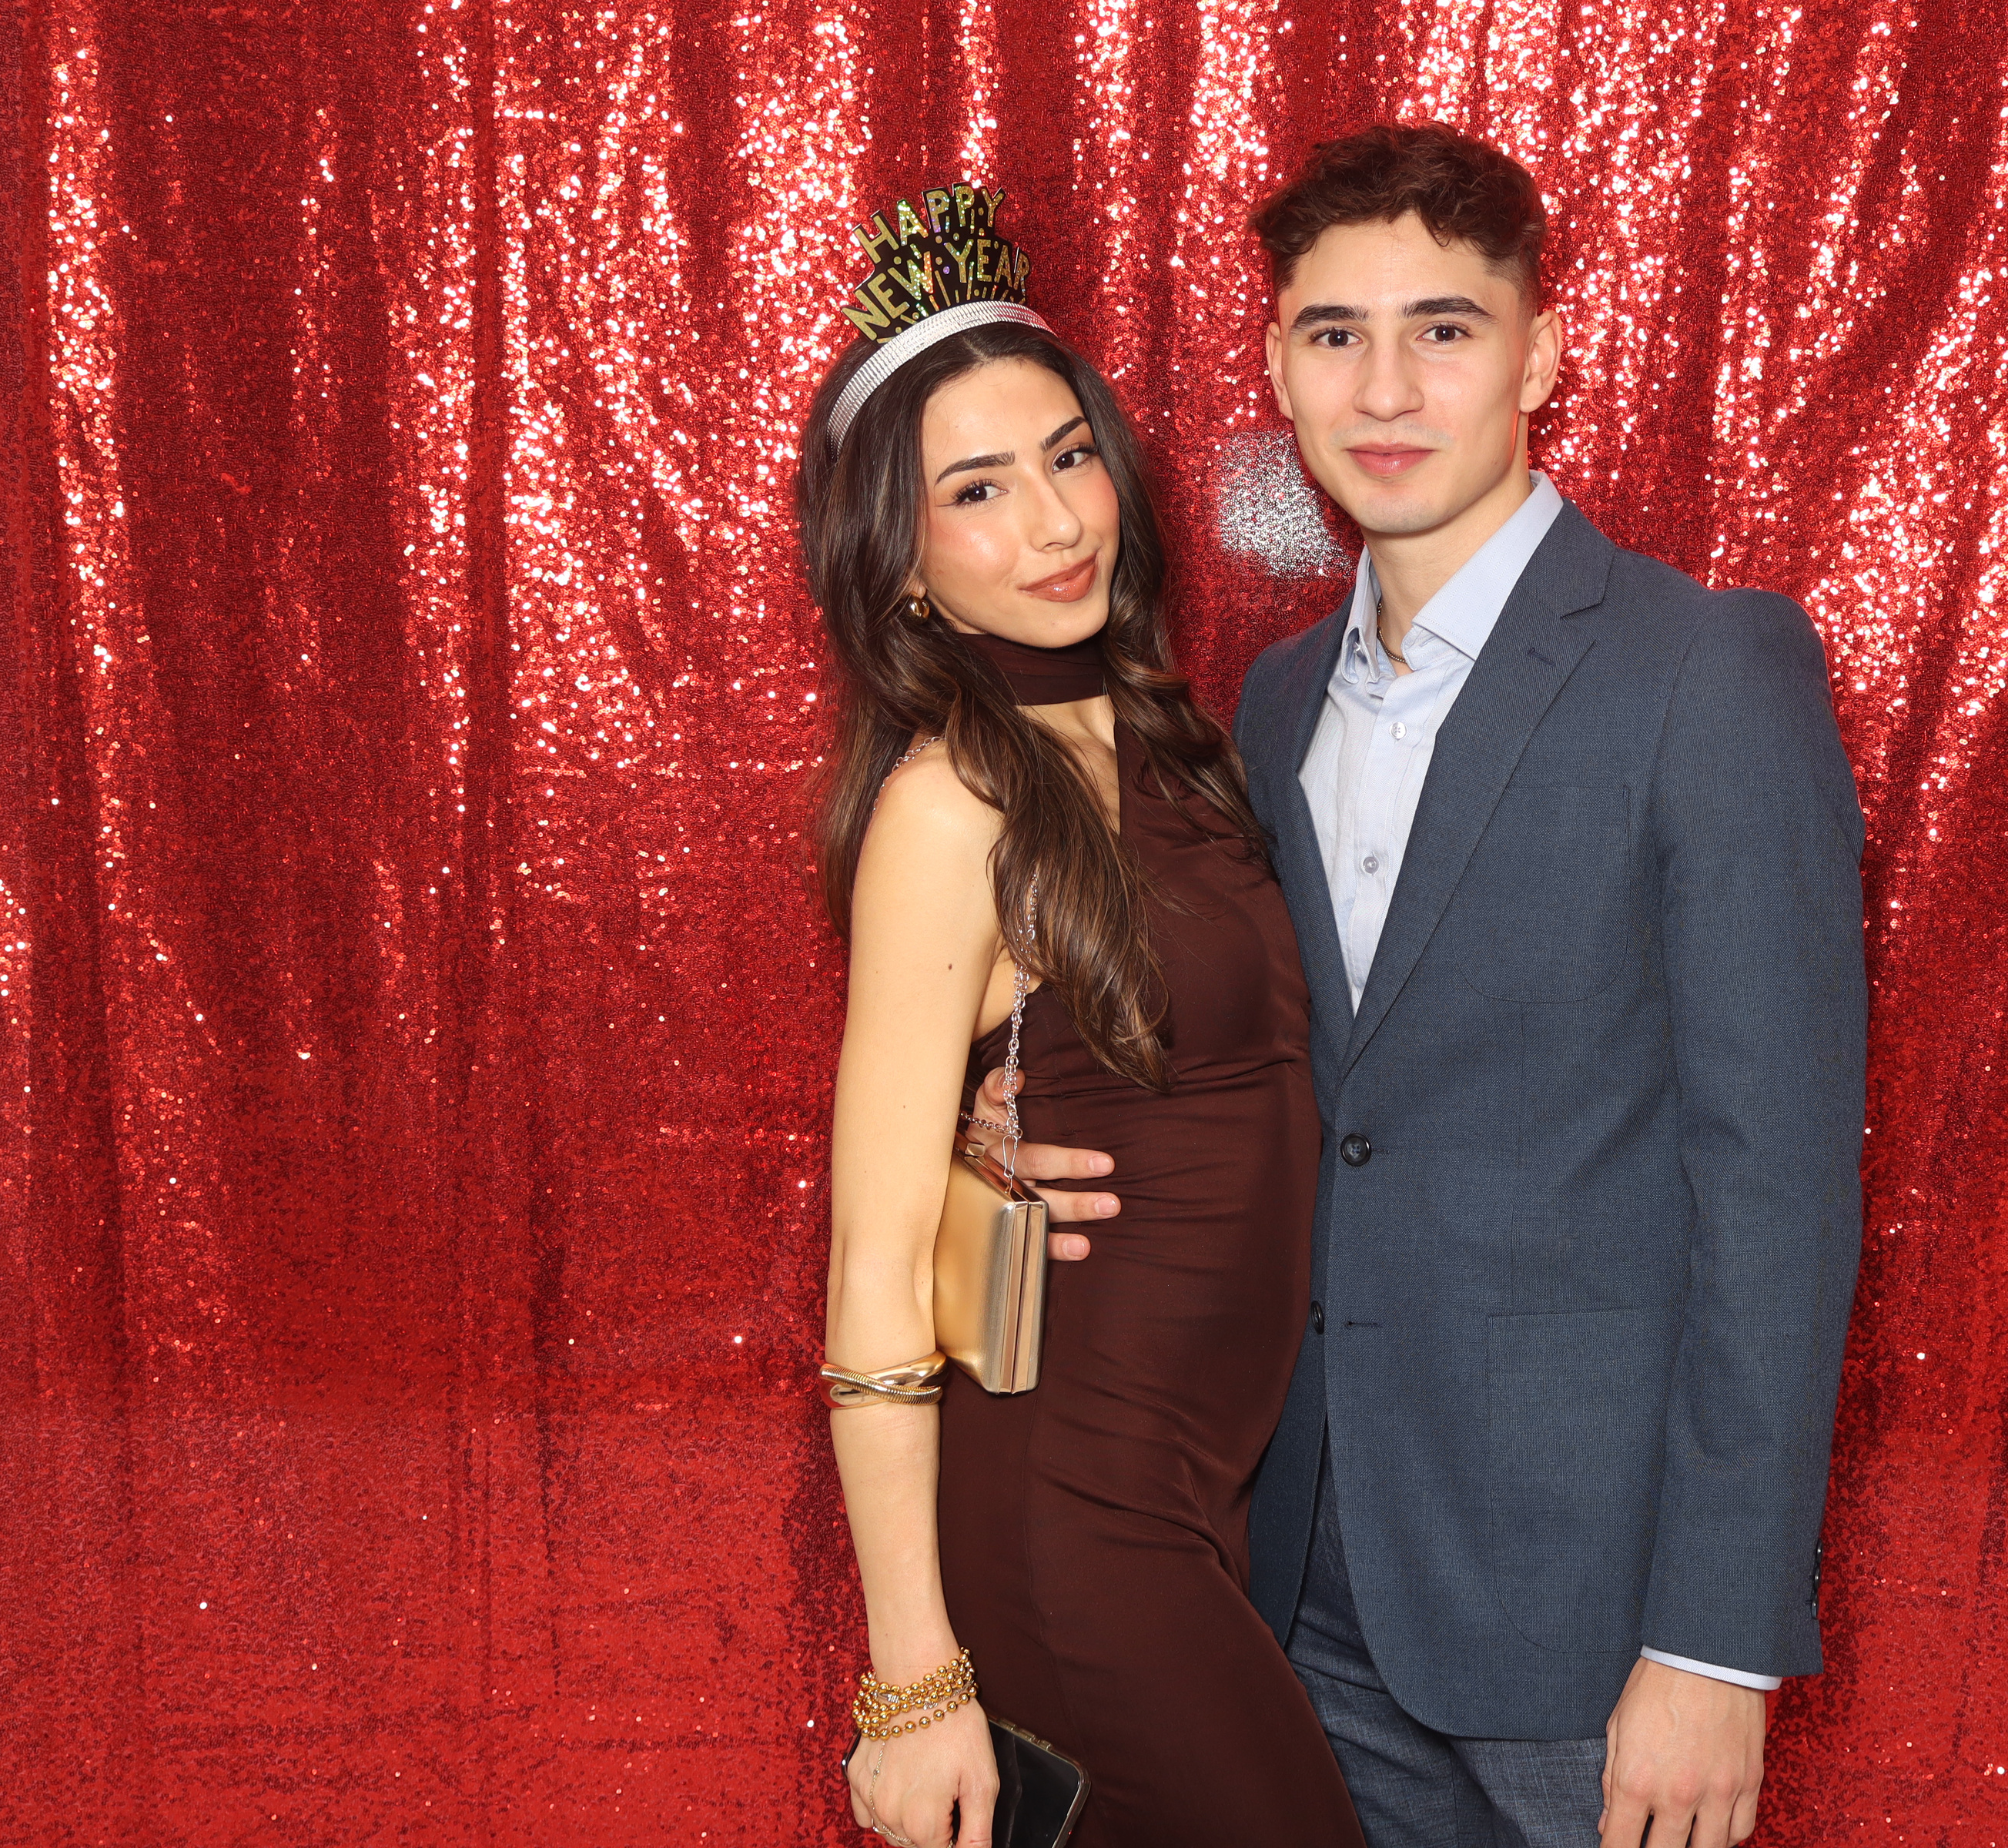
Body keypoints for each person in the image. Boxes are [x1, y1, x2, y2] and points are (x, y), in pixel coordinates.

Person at [1011, 122, 1870, 1847]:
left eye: (1445, 329)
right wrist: (1013, 1120)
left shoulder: (1708, 672)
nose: (1385, 387)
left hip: (1592, 1621)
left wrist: (1715, 1641)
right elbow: (1267, 1087)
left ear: (1542, 356)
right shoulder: (1263, 703)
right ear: (1277, 365)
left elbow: (1776, 1191)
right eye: (1335, 335)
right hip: (1295, 1571)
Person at [805, 183, 1364, 1848]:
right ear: (901, 567)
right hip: (1075, 1516)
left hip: (1203, 1505)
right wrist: (913, 1683)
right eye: (976, 490)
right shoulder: (948, 806)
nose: (1054, 521)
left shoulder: (1172, 732)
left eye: (1066, 456)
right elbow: (874, 1269)